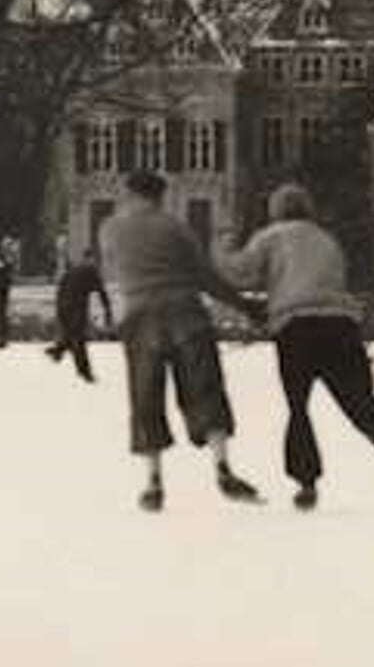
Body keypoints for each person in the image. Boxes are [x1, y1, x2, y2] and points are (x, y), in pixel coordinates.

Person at [215, 183, 374, 511]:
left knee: (299, 407)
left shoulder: (271, 236)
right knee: (358, 398)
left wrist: (223, 244)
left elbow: (240, 273)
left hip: (296, 326)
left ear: (276, 210)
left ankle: (306, 481)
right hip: (341, 325)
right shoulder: (326, 239)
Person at [99, 170, 265, 513]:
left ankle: (153, 481)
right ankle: (222, 467)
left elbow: (115, 268)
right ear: (160, 196)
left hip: (140, 315)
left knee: (145, 396)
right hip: (185, 313)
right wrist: (245, 305)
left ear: (130, 192)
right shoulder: (176, 228)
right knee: (205, 389)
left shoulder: (110, 229)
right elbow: (204, 277)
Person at [45, 247, 114, 382]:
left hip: (63, 306)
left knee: (72, 335)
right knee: (79, 340)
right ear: (92, 259)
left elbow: (61, 288)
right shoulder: (91, 271)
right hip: (76, 308)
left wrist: (58, 308)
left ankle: (58, 351)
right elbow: (102, 292)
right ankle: (85, 372)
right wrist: (108, 310)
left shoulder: (73, 270)